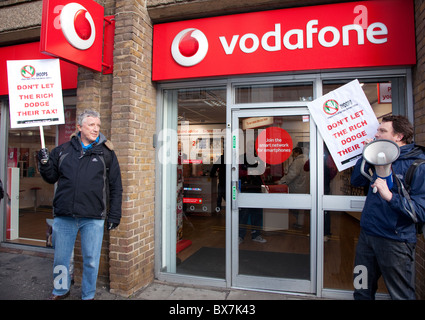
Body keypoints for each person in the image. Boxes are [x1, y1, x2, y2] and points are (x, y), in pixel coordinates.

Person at [38, 109, 123, 300]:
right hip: (64, 216)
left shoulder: (106, 154)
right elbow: (50, 178)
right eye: (91, 125)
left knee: (91, 261)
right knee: (60, 260)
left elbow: (116, 186)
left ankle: (88, 295)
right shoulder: (62, 151)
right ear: (79, 127)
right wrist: (44, 163)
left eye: (98, 125)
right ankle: (60, 290)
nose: (96, 129)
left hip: (93, 218)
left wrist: (114, 214)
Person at [351, 115, 425, 300]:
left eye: (382, 131)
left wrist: (391, 197)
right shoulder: (376, 156)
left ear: (399, 136)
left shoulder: (418, 165)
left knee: (400, 294)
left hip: (395, 241)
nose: (376, 134)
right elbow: (356, 180)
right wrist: (366, 154)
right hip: (367, 236)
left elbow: (420, 211)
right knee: (361, 289)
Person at [278, 147, 308, 228]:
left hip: (297, 187)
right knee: (301, 208)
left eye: (293, 153)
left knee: (293, 206)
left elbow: (292, 175)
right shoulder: (306, 160)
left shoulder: (298, 161)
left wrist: (281, 182)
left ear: (297, 152)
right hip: (303, 186)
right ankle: (300, 223)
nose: (292, 155)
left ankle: (299, 223)